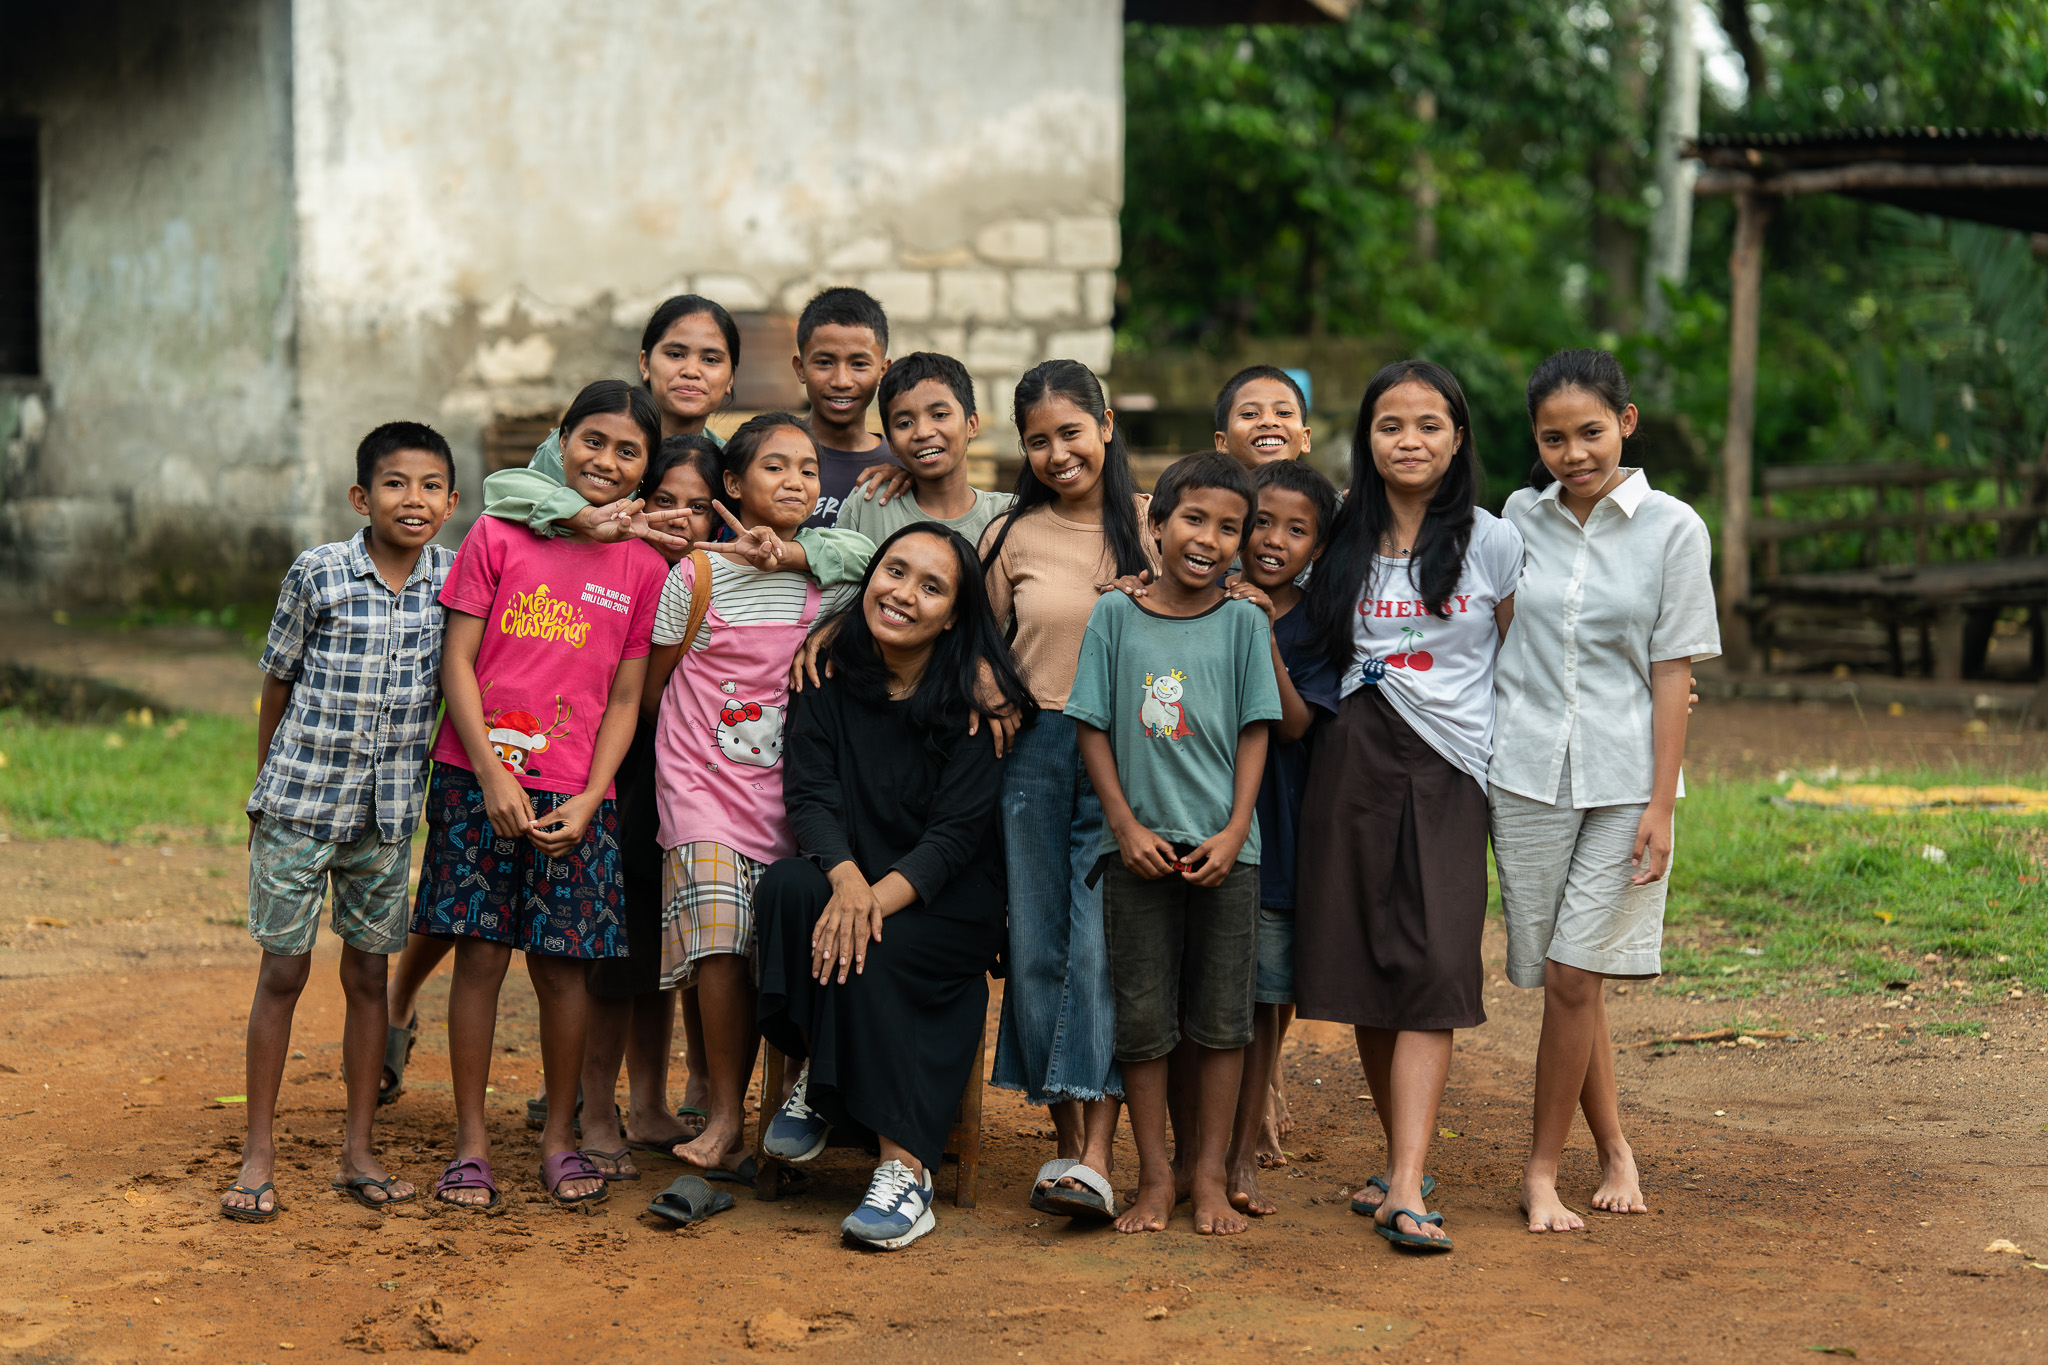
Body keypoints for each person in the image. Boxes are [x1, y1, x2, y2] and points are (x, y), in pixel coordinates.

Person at [413, 379, 669, 1211]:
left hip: (574, 795)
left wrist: (595, 797)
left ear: (644, 470)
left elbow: (627, 699)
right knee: (480, 958)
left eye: (628, 451)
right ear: (561, 440)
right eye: (592, 440)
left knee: (563, 973)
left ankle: (560, 1138)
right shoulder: (498, 532)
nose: (607, 460)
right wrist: (488, 772)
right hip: (474, 778)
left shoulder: (640, 567)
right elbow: (457, 660)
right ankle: (472, 1146)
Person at [1295, 360, 1525, 1255]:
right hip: (1352, 753)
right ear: (1368, 436)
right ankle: (1403, 1168)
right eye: (1392, 425)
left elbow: (1526, 652)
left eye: (1431, 425)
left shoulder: (1494, 541)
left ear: (1458, 438)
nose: (1411, 441)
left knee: (1432, 959)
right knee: (1362, 961)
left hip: (1451, 765)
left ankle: (1402, 1179)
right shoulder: (1340, 531)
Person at [754, 524, 1034, 1249]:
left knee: (876, 941)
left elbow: (954, 838)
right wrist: (846, 880)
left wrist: (870, 901)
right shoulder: (826, 672)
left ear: (954, 614)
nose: (904, 593)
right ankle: (824, 1075)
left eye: (931, 586)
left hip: (947, 902)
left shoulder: (977, 700)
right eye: (895, 571)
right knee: (788, 888)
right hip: (854, 876)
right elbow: (809, 793)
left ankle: (905, 1171)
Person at [1489, 349, 1718, 1233]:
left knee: (1575, 972)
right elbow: (1495, 632)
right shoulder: (1516, 518)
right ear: (1536, 442)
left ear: (1626, 422)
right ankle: (1615, 1144)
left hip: (1627, 779)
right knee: (1566, 980)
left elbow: (1672, 672)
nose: (1573, 452)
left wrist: (1662, 805)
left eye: (1590, 431)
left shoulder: (1674, 528)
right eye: (1554, 437)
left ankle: (1541, 1172)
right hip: (1527, 773)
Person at [221, 422, 460, 1223]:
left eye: (431, 486)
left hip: (387, 817)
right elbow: (278, 682)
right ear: (363, 497)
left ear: (452, 501)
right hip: (299, 802)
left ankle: (358, 1148)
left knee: (369, 977)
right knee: (283, 971)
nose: (413, 500)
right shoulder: (318, 573)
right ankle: (258, 1148)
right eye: (395, 484)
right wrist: (263, 790)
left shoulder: (456, 585)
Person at [644, 413, 865, 1183]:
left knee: (770, 949)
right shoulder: (697, 575)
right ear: (733, 486)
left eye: (808, 469)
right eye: (775, 467)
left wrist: (799, 552)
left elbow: (880, 560)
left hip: (786, 798)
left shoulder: (830, 576)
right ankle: (730, 1114)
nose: (797, 481)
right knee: (718, 941)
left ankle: (787, 1106)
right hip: (700, 788)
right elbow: (653, 683)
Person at [1066, 453, 1280, 1236]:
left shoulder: (1245, 622)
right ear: (1155, 524)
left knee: (1223, 1021)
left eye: (1231, 527)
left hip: (1229, 854)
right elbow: (1091, 724)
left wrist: (1234, 830)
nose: (1211, 539)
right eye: (1194, 519)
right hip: (1139, 853)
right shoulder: (1115, 616)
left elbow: (1259, 731)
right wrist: (1123, 825)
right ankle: (1154, 1177)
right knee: (1144, 1019)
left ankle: (1211, 1177)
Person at [980, 358, 1158, 1221]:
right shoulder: (1013, 535)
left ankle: (1100, 1152)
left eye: (1070, 432)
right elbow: (970, 639)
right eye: (1038, 440)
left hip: (1128, 757)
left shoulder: (1156, 531)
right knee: (1040, 948)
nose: (1058, 452)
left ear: (1107, 426)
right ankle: (1064, 1147)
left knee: (1101, 950)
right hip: (1035, 751)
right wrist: (984, 678)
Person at [570, 435, 725, 1180]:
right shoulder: (612, 562)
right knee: (616, 939)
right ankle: (594, 1107)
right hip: (618, 765)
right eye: (664, 499)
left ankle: (650, 1102)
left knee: (655, 941)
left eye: (699, 505)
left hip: (693, 774)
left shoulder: (718, 575)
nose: (680, 517)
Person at [1215, 460, 1342, 1217]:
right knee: (1203, 998)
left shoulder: (1316, 624)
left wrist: (1260, 629)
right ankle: (1201, 1149)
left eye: (1297, 530)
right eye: (1262, 521)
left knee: (1264, 1002)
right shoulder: (1200, 599)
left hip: (1279, 833)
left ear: (1319, 548)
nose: (1273, 540)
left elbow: (1294, 722)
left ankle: (1239, 1154)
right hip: (1197, 821)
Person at [836, 351, 1014, 546]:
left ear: (971, 425)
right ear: (892, 444)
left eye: (939, 415)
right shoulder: (872, 505)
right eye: (904, 423)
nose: (922, 432)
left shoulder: (1008, 516)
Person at [792, 286, 900, 527]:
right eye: (824, 362)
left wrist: (915, 476)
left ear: (883, 371)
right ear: (800, 368)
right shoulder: (760, 450)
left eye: (859, 364)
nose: (841, 381)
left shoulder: (901, 469)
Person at [1213, 366, 1312, 470]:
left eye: (1283, 413)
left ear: (1305, 439)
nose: (1269, 421)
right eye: (1250, 414)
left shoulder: (1319, 486)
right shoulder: (1201, 486)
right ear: (1223, 443)